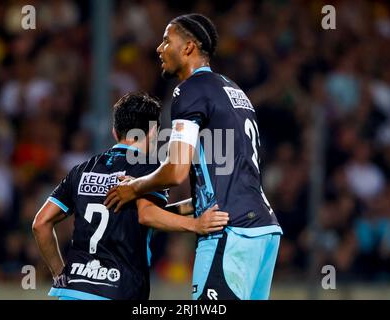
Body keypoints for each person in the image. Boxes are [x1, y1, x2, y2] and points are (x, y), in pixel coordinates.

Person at [105, 14, 282, 300]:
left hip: (229, 231)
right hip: (263, 231)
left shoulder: (189, 90)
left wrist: (133, 187)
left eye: (166, 40)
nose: (159, 48)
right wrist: (161, 215)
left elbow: (176, 170)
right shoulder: (233, 90)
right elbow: (222, 186)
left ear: (188, 47)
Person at [32, 92, 229, 300]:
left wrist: (59, 274)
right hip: (120, 290)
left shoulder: (81, 170)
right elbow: (148, 216)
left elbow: (41, 223)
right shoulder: (150, 169)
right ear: (153, 132)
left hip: (74, 289)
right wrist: (196, 225)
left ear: (115, 132)